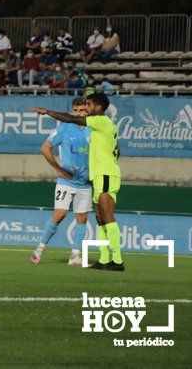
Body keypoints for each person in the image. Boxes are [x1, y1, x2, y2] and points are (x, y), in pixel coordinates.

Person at [32, 93, 124, 271]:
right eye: (79, 108)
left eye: (87, 106)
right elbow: (117, 150)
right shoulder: (90, 126)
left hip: (100, 177)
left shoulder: (98, 122)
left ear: (96, 107)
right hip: (92, 178)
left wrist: (47, 112)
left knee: (103, 217)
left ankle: (117, 261)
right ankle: (105, 259)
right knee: (98, 218)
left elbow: (72, 119)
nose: (84, 111)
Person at [30, 98, 91, 266]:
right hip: (67, 181)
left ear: (88, 111)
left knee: (82, 218)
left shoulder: (93, 129)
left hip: (86, 182)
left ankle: (75, 256)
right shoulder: (64, 128)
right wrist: (58, 169)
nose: (80, 113)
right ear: (72, 112)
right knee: (60, 215)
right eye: (76, 110)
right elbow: (45, 148)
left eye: (83, 110)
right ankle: (39, 250)